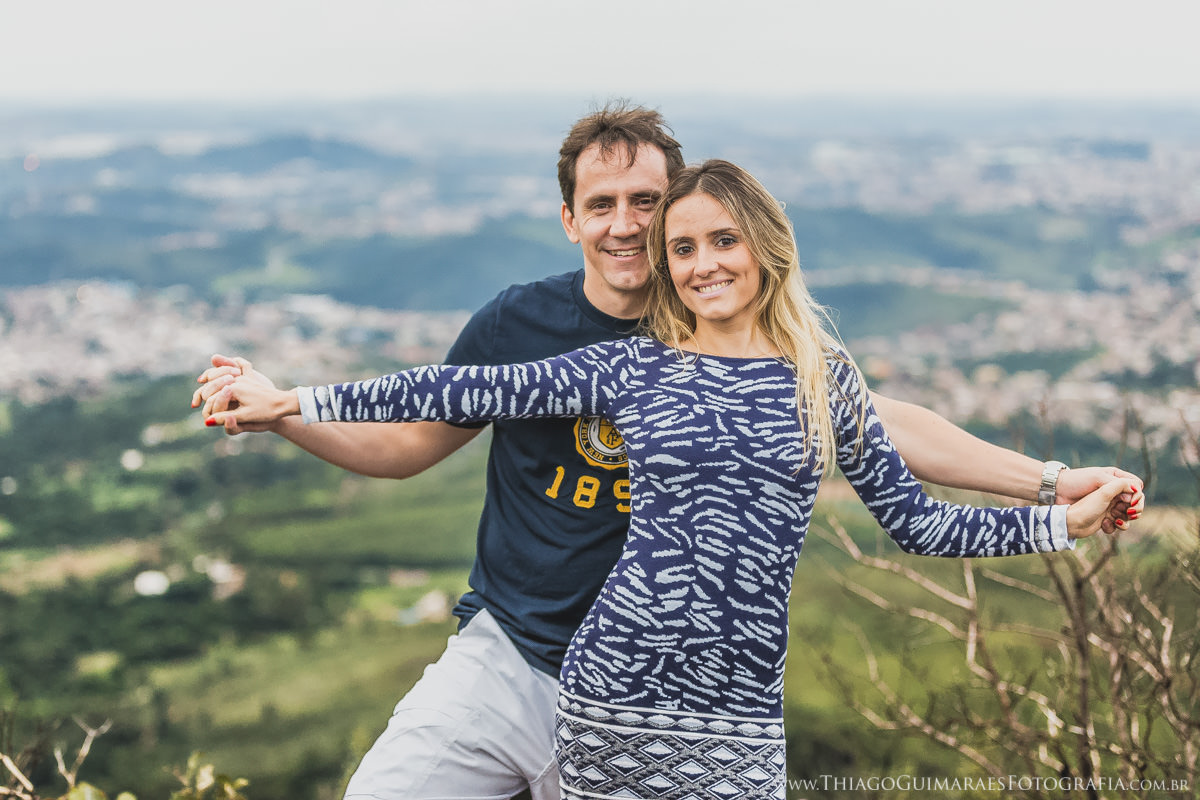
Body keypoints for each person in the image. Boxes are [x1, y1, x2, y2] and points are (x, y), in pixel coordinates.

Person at [193, 103, 1143, 800]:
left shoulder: (813, 374)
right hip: (535, 665)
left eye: (658, 212)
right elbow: (431, 406)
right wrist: (290, 404)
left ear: (748, 241)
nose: (649, 237)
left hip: (726, 714)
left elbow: (906, 482)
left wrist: (1058, 499)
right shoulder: (597, 355)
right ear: (572, 218)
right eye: (603, 205)